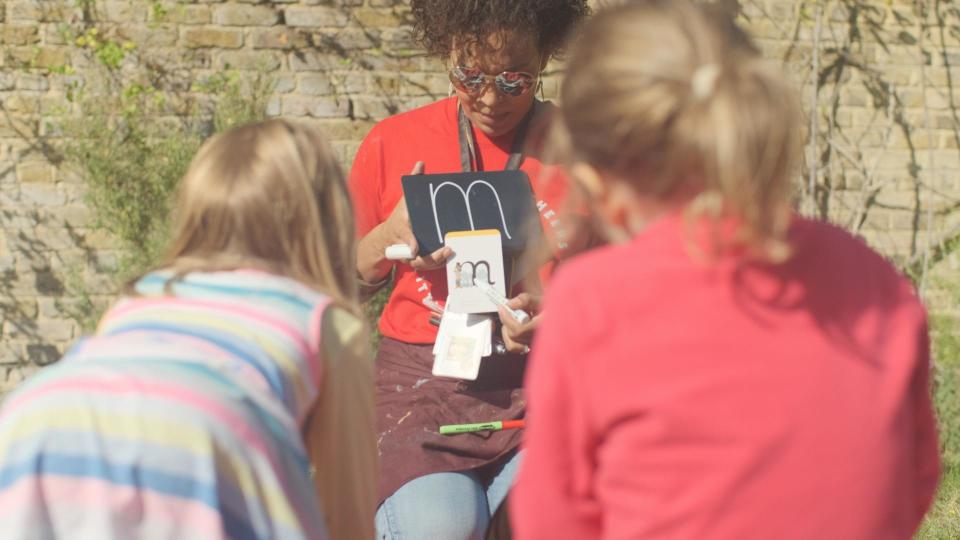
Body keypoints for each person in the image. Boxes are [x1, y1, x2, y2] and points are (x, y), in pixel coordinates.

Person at [512, 1, 941, 539]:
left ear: (598, 183)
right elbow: (915, 479)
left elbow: (554, 521)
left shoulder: (590, 302)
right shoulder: (876, 281)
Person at [0, 120, 377, 540]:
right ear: (326, 214)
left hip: (39, 411)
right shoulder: (324, 320)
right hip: (205, 431)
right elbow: (347, 510)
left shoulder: (142, 292)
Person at [348, 1, 589, 537]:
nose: (487, 98)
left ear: (546, 57)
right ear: (445, 52)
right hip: (420, 395)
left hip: (546, 391)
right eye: (469, 75)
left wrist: (558, 318)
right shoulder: (393, 142)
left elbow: (631, 294)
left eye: (513, 80)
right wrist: (386, 237)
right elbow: (332, 286)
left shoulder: (588, 151)